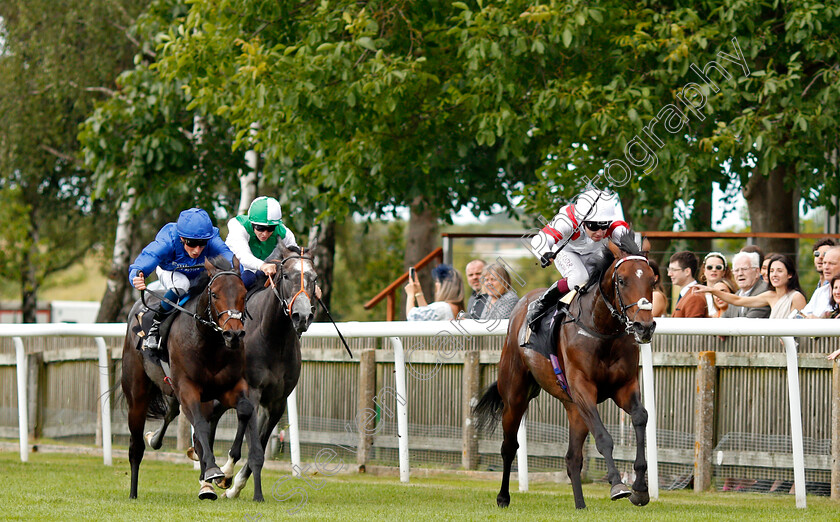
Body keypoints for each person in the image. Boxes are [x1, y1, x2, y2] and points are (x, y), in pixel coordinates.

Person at [129, 208, 238, 350]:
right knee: (182, 284)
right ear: (181, 238)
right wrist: (137, 274)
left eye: (202, 243)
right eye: (191, 243)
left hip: (199, 273)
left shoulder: (212, 239)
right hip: (170, 271)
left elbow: (228, 256)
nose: (197, 250)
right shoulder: (167, 241)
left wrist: (237, 272)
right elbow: (149, 257)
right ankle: (155, 327)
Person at [527, 188, 637, 329]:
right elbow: (540, 239)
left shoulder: (614, 224)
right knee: (579, 278)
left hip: (593, 251)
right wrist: (544, 253)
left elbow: (631, 250)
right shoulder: (567, 221)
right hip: (566, 250)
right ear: (582, 221)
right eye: (594, 226)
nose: (600, 232)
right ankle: (542, 303)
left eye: (604, 226)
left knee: (601, 280)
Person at [697, 254, 806, 319]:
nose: (774, 275)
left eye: (780, 271)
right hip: (773, 348)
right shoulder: (770, 296)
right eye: (771, 271)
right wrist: (711, 290)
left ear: (790, 274)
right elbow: (738, 300)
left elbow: (802, 329)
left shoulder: (796, 297)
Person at [225, 196, 298, 289]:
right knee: (247, 279)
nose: (265, 234)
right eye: (260, 228)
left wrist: (311, 285)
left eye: (270, 228)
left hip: (257, 269)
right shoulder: (238, 226)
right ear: (251, 223)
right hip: (231, 267)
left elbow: (296, 258)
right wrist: (263, 266)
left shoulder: (284, 233)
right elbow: (242, 255)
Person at [721, 251, 771, 318]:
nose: (740, 274)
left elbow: (748, 324)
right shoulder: (736, 295)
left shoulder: (765, 291)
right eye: (736, 270)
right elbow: (723, 321)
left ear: (757, 271)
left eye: (744, 269)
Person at [667, 251, 707, 318]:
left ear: (687, 271)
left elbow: (692, 327)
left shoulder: (695, 297)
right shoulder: (688, 294)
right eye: (669, 270)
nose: (669, 274)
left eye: (673, 270)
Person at [804, 246, 840, 318]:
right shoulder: (820, 292)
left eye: (832, 263)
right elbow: (803, 315)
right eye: (824, 263)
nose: (826, 267)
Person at [699, 252, 735, 317]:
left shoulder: (732, 292)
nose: (714, 270)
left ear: (724, 271)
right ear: (704, 271)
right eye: (709, 267)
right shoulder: (696, 295)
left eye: (718, 267)